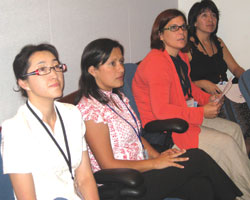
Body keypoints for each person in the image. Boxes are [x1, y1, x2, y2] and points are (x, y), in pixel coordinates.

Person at [76, 38, 242, 200]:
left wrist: (158, 156)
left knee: (200, 185)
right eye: (113, 63)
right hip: (123, 183)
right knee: (197, 158)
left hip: (142, 169)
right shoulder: (91, 111)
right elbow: (108, 165)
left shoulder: (116, 98)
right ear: (92, 70)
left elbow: (136, 135)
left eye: (121, 61)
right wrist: (155, 164)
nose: (121, 69)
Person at [132, 9, 250, 199]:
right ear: (160, 35)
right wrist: (202, 112)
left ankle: (237, 185)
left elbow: (189, 89)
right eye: (174, 28)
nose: (182, 32)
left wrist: (207, 99)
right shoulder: (156, 63)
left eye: (183, 27)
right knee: (226, 143)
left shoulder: (180, 57)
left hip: (185, 116)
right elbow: (162, 111)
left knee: (235, 130)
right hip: (168, 130)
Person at [0, 44, 99, 200]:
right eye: (43, 70)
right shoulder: (15, 129)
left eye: (56, 66)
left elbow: (84, 177)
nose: (54, 75)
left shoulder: (72, 114)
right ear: (24, 83)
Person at [187, 0, 250, 152]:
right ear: (194, 22)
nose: (210, 20)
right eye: (204, 15)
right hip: (206, 97)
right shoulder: (188, 45)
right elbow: (181, 81)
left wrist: (246, 80)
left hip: (227, 91)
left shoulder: (218, 42)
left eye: (213, 15)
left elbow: (235, 68)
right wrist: (201, 83)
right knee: (241, 127)